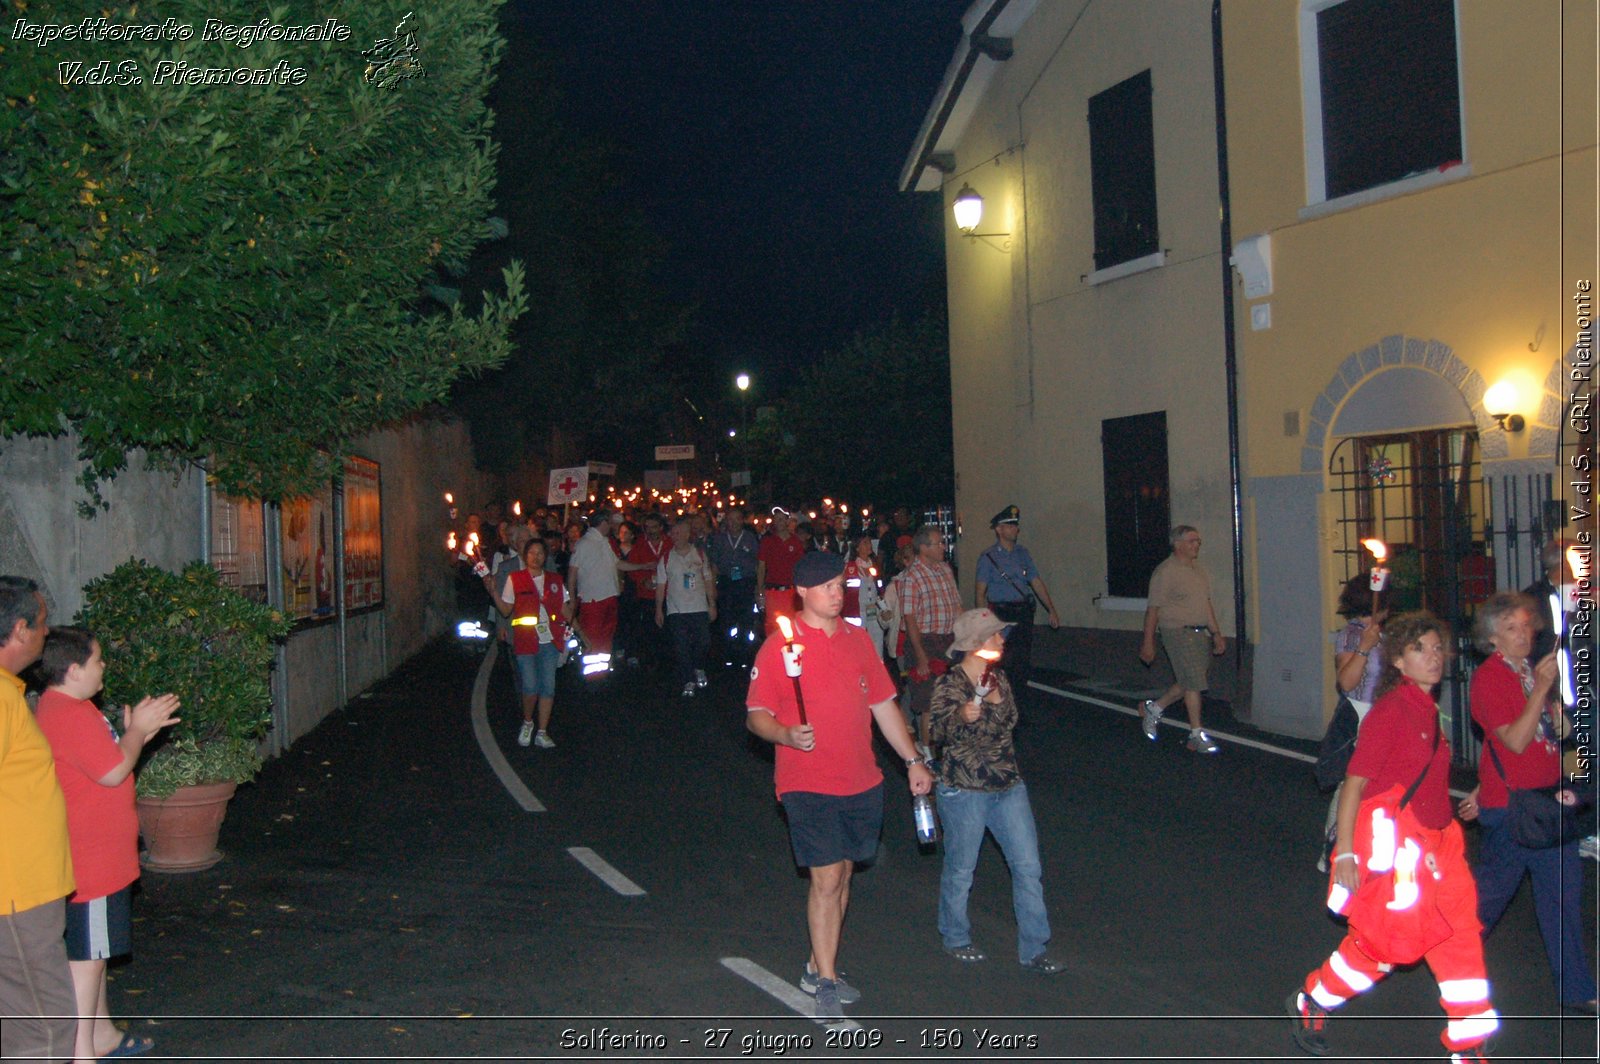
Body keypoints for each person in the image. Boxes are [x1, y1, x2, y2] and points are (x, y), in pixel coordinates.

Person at [1289, 612, 1497, 1061]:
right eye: (1420, 648)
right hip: (1404, 851)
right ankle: (1315, 997)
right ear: (1398, 661)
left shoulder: (1429, 711)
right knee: (1385, 947)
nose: (1434, 656)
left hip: (1443, 847)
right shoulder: (1392, 711)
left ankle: (1468, 1045)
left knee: (1459, 940)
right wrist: (1346, 853)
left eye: (1438, 647)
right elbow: (1355, 783)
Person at [745, 550, 934, 1020]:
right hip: (807, 781)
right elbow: (755, 717)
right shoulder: (779, 646)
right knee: (827, 878)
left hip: (861, 778)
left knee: (845, 874)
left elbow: (885, 705)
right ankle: (827, 981)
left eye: (841, 586)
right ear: (803, 592)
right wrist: (786, 734)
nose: (838, 594)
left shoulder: (857, 640)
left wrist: (912, 758)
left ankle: (816, 964)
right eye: (829, 587)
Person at [35, 627, 180, 1060]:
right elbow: (115, 771)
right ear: (75, 669)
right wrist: (137, 732)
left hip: (97, 855)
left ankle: (102, 1037)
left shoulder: (65, 707)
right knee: (86, 961)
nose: (104, 668)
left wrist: (132, 734)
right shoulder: (70, 713)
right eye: (98, 660)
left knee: (94, 953)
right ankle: (82, 1053)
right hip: (93, 861)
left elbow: (103, 760)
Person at [1460, 592, 1596, 1013]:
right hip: (1514, 810)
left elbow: (1555, 735)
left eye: (1525, 625)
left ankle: (1577, 990)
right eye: (1511, 629)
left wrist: (1556, 712)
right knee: (1487, 902)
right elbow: (1514, 741)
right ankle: (1447, 956)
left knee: (1562, 902)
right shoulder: (1491, 677)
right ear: (1492, 639)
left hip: (1546, 803)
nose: (1523, 635)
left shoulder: (1525, 672)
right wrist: (1541, 688)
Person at [929, 608, 1063, 974]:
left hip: (1007, 785)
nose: (1002, 640)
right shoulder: (951, 684)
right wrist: (961, 716)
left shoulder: (998, 679)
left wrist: (995, 702)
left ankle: (1035, 948)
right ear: (975, 644)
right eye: (995, 634)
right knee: (961, 869)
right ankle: (956, 937)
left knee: (1028, 867)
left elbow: (1012, 722)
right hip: (966, 790)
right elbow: (937, 732)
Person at [0, 576, 78, 1064]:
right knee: (45, 1027)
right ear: (20, 628)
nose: (49, 633)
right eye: (43, 623)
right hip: (16, 896)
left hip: (23, 892)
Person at [1315, 573, 1389, 871]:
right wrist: (1364, 647)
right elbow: (1346, 682)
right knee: (1350, 785)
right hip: (1358, 715)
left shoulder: (1385, 634)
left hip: (1383, 714)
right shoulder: (1352, 634)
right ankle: (1333, 848)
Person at [1138, 525, 1226, 753]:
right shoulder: (1165, 571)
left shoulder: (1198, 571)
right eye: (1191, 541)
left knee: (1190, 680)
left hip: (1199, 633)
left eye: (1198, 541)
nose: (1196, 545)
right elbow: (1153, 609)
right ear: (1177, 544)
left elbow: (1205, 605)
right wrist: (1148, 642)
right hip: (1177, 631)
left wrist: (1216, 632)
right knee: (1194, 682)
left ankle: (1154, 709)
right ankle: (1196, 734)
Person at [489, 538, 572, 749]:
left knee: (548, 688)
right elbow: (506, 610)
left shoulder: (554, 579)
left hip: (550, 641)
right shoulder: (515, 579)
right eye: (532, 553)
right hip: (525, 641)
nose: (536, 557)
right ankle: (528, 722)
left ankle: (542, 731)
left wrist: (579, 630)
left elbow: (564, 608)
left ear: (546, 556)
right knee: (530, 686)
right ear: (525, 555)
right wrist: (492, 592)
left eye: (540, 553)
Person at [974, 505, 1060, 696]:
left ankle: (1018, 706)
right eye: (1010, 525)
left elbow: (1036, 582)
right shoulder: (988, 557)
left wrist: (1051, 609)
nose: (1015, 529)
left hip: (1022, 612)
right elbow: (980, 592)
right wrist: (985, 622)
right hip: (1001, 613)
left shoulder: (1023, 554)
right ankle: (999, 703)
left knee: (1021, 662)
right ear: (999, 529)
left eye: (1016, 525)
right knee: (1002, 661)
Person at [899, 525, 962, 753]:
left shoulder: (945, 569)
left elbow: (957, 605)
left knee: (953, 696)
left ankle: (950, 748)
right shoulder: (911, 577)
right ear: (924, 548)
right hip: (925, 641)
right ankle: (927, 753)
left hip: (950, 640)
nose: (943, 547)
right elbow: (910, 619)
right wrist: (921, 656)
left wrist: (966, 637)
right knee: (929, 701)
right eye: (938, 543)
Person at [656, 516, 717, 698]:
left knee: (703, 642)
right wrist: (658, 609)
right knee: (681, 646)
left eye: (680, 532)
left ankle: (698, 667)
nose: (676, 536)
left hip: (698, 607)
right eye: (673, 533)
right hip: (677, 609)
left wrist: (712, 603)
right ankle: (688, 679)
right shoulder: (666, 558)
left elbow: (708, 579)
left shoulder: (698, 554)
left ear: (687, 534)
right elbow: (660, 585)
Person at [567, 511, 622, 669]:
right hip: (593, 599)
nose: (611, 526)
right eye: (609, 522)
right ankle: (591, 675)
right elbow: (572, 574)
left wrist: (643, 566)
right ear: (603, 522)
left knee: (606, 637)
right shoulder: (583, 544)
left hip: (609, 596)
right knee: (592, 638)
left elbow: (617, 564)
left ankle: (602, 671)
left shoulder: (605, 542)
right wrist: (572, 598)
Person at [708, 506, 760, 668]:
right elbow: (714, 564)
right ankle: (729, 653)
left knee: (746, 619)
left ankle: (746, 654)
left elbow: (758, 563)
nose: (734, 523)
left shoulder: (750, 538)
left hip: (745, 582)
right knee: (727, 619)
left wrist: (759, 586)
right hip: (726, 582)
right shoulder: (720, 539)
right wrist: (714, 586)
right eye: (730, 519)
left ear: (742, 520)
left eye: (737, 519)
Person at [624, 514, 670, 669]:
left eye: (654, 527)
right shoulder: (640, 545)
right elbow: (631, 567)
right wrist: (643, 581)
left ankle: (665, 659)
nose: (650, 531)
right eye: (647, 527)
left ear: (661, 527)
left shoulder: (670, 543)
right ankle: (650, 660)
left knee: (666, 628)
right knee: (648, 628)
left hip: (667, 594)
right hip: (646, 595)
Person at [757, 509, 806, 636]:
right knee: (773, 626)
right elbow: (761, 566)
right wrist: (760, 588)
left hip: (791, 591)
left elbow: (800, 567)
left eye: (782, 519)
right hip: (773, 591)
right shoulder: (767, 541)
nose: (780, 522)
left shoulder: (795, 542)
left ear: (787, 521)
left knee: (792, 625)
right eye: (777, 519)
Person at [842, 535, 886, 657]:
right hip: (858, 610)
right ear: (857, 548)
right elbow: (846, 589)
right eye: (865, 543)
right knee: (858, 641)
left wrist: (883, 606)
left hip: (874, 608)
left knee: (877, 640)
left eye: (870, 542)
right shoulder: (851, 567)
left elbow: (880, 585)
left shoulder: (874, 564)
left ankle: (878, 668)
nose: (869, 545)